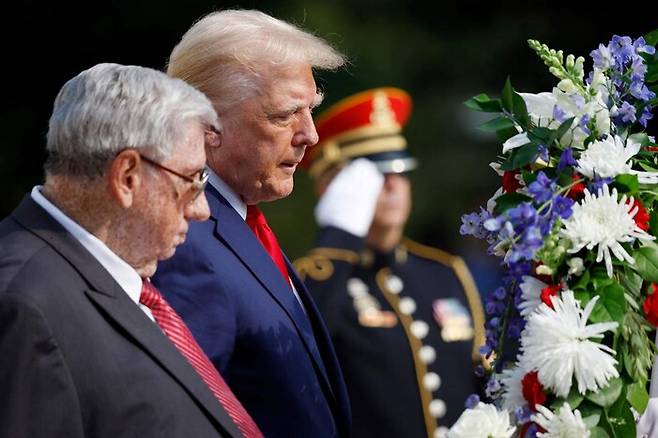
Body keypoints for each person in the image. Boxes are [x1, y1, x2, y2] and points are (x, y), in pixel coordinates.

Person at [0, 63, 251, 437]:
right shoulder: (22, 303)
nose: (202, 209)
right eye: (192, 180)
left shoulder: (105, 277)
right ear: (127, 176)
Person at [152, 10, 351, 438]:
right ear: (206, 124)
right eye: (284, 115)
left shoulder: (238, 222)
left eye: (311, 110)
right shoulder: (184, 243)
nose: (311, 135)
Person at [294, 87, 486, 438]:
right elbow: (296, 355)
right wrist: (339, 234)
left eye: (401, 170)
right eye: (378, 175)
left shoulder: (443, 272)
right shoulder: (316, 279)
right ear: (330, 187)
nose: (395, 184)